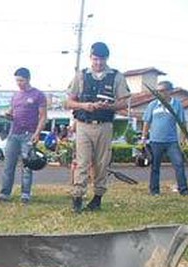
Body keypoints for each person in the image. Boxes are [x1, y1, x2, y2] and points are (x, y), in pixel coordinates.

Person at [65, 42, 130, 213]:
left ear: (106, 59)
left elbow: (124, 102)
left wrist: (108, 106)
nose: (98, 63)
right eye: (95, 59)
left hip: (104, 124)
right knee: (82, 162)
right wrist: (84, 105)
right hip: (84, 124)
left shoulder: (116, 76)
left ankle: (97, 198)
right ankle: (77, 197)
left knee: (101, 162)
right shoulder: (81, 76)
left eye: (101, 59)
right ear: (90, 58)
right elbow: (69, 101)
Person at [0, 67, 47, 204]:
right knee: (8, 165)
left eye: (21, 80)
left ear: (28, 79)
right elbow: (11, 112)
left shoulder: (38, 95)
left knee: (27, 166)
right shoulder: (15, 96)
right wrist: (8, 115)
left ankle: (25, 194)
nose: (19, 83)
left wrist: (37, 134)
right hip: (14, 134)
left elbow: (43, 117)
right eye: (17, 81)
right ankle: (4, 193)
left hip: (29, 134)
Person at [141, 81, 188, 196]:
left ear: (169, 91)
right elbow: (147, 122)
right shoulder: (152, 105)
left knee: (179, 164)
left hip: (172, 142)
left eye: (162, 90)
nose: (159, 93)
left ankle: (183, 190)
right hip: (155, 141)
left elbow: (182, 123)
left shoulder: (177, 105)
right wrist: (143, 137)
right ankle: (154, 191)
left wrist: (184, 138)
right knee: (155, 167)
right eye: (158, 91)